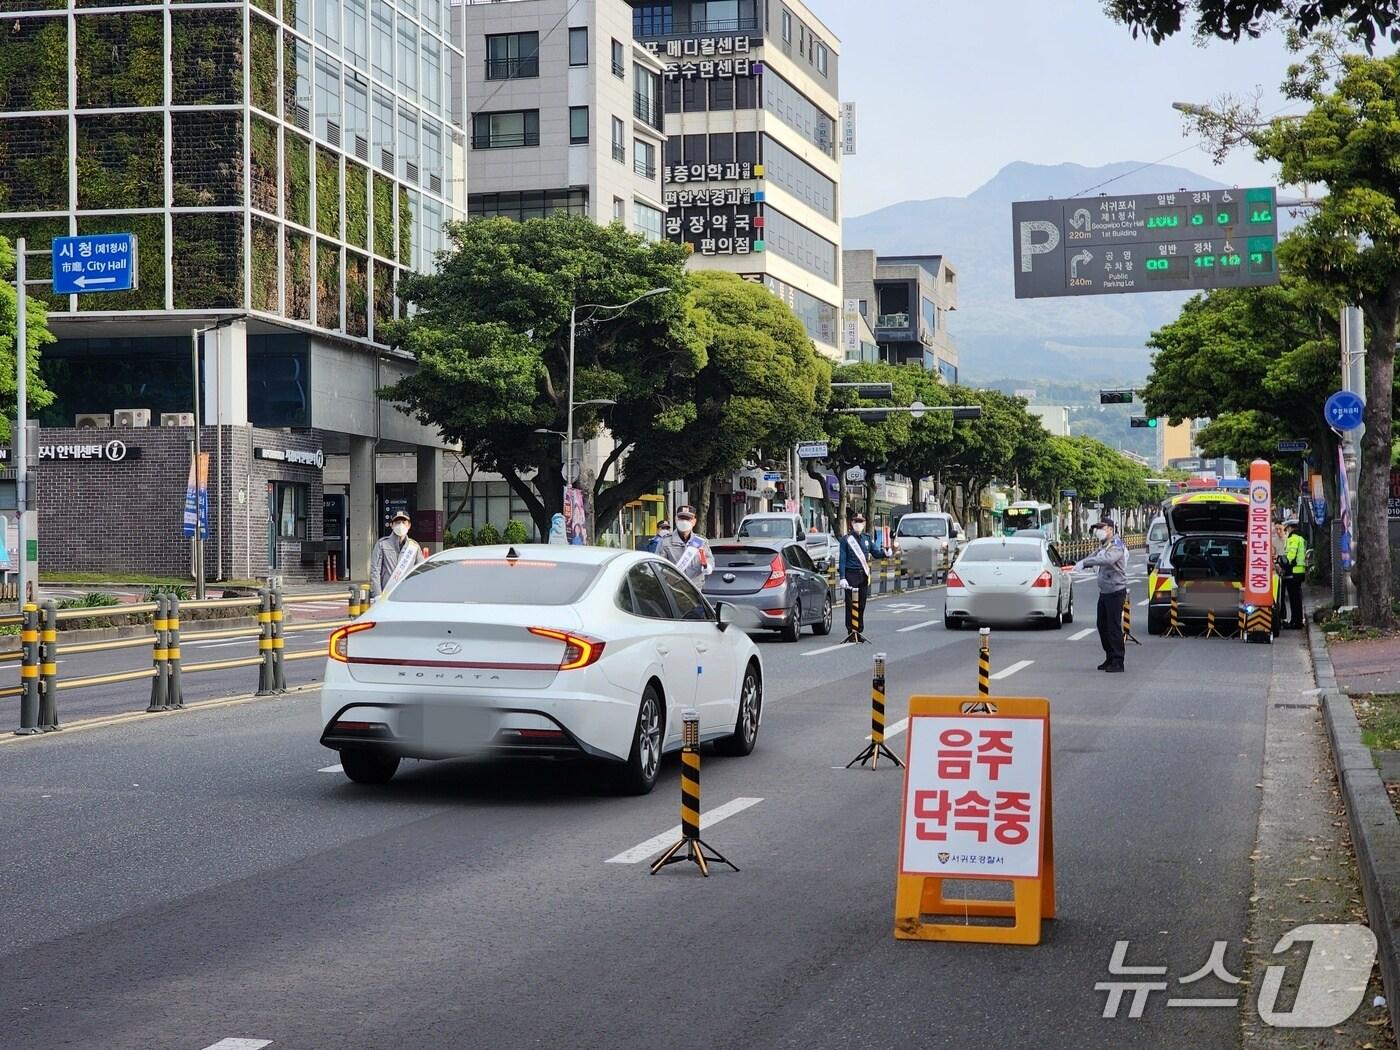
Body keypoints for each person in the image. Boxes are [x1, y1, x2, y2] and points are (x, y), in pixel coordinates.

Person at [1073, 517, 1129, 673]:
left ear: (1110, 529)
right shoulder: (1105, 545)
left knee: (1113, 627)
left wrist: (1087, 563)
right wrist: (1081, 562)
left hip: (1116, 591)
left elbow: (1108, 560)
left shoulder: (1117, 545)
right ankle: (1110, 656)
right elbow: (1095, 555)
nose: (1099, 531)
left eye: (1101, 528)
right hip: (1105, 592)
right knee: (1102, 625)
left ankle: (1118, 661)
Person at [838, 512, 888, 642]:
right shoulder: (846, 540)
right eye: (856, 521)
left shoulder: (867, 539)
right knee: (850, 605)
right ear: (852, 523)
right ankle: (851, 631)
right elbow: (842, 559)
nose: (858, 524)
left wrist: (885, 553)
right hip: (850, 574)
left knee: (862, 604)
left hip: (863, 575)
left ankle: (859, 630)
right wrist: (842, 576)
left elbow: (876, 553)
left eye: (860, 522)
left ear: (865, 524)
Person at [370, 510, 424, 598]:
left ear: (409, 525)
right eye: (397, 522)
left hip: (408, 594)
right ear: (391, 525)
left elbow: (420, 571)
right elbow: (375, 571)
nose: (401, 525)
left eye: (403, 522)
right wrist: (377, 594)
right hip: (386, 594)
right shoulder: (382, 544)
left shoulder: (414, 546)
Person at [657, 506, 713, 586]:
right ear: (676, 519)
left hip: (696, 588)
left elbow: (709, 558)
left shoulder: (701, 541)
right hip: (674, 589)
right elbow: (658, 565)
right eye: (681, 518)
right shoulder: (665, 542)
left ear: (694, 522)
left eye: (688, 519)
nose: (684, 521)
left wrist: (708, 566)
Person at [1283, 523, 1308, 629]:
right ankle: (1298, 621)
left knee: (1294, 599)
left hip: (1292, 572)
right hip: (1300, 571)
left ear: (1290, 528)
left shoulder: (1293, 538)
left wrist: (1282, 562)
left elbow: (1291, 556)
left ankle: (1295, 622)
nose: (1286, 532)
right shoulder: (1302, 538)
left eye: (1287, 529)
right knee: (1297, 598)